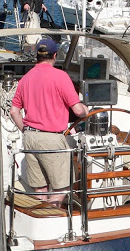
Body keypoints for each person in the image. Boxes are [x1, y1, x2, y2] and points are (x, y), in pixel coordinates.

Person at [9, 38, 89, 207]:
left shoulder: (25, 79)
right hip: (51, 139)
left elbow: (14, 112)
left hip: (30, 138)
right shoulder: (61, 77)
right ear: (54, 55)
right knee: (62, 188)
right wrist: (86, 110)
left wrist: (26, 130)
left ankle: (42, 215)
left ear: (37, 56)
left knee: (40, 189)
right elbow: (78, 111)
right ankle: (52, 214)